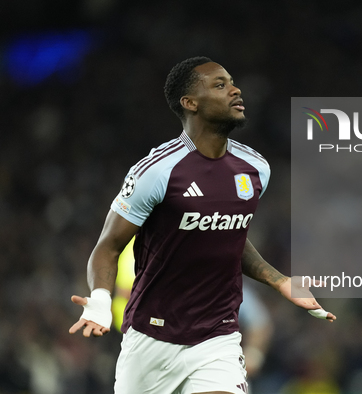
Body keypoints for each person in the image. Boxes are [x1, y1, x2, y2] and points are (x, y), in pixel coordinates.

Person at [68, 56, 336, 394]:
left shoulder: (255, 169)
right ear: (190, 103)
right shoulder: (157, 171)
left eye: (232, 82)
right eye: (220, 85)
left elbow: (228, 235)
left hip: (217, 338)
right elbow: (108, 247)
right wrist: (100, 301)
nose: (236, 90)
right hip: (151, 338)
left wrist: (280, 281)